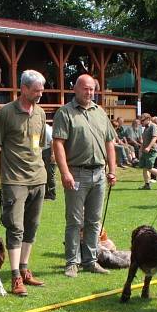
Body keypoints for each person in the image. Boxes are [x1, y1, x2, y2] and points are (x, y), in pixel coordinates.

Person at [52, 73, 118, 277]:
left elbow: (109, 142)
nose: (89, 92)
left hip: (99, 174)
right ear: (76, 89)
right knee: (74, 221)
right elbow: (58, 144)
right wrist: (65, 173)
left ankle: (90, 260)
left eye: (92, 89)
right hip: (76, 174)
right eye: (85, 88)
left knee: (94, 221)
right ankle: (72, 262)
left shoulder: (100, 112)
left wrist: (112, 170)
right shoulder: (65, 113)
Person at [0, 70, 48, 296]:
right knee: (16, 228)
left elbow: (40, 144)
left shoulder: (41, 113)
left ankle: (24, 269)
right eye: (36, 90)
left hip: (38, 178)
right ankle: (15, 276)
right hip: (14, 180)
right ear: (23, 89)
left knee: (31, 226)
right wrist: (3, 173)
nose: (40, 94)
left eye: (42, 90)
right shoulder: (5, 113)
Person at [138, 113, 157, 189]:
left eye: (143, 120)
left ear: (148, 119)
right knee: (144, 167)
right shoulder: (145, 128)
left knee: (149, 167)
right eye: (141, 121)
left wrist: (149, 148)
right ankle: (147, 185)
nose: (141, 122)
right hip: (145, 151)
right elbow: (144, 141)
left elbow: (154, 138)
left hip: (152, 150)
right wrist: (141, 150)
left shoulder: (153, 126)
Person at [42, 122, 56, 200]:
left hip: (49, 151)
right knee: (43, 174)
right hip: (42, 151)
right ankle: (46, 194)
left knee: (50, 174)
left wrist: (53, 154)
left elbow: (52, 142)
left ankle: (52, 195)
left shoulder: (47, 129)